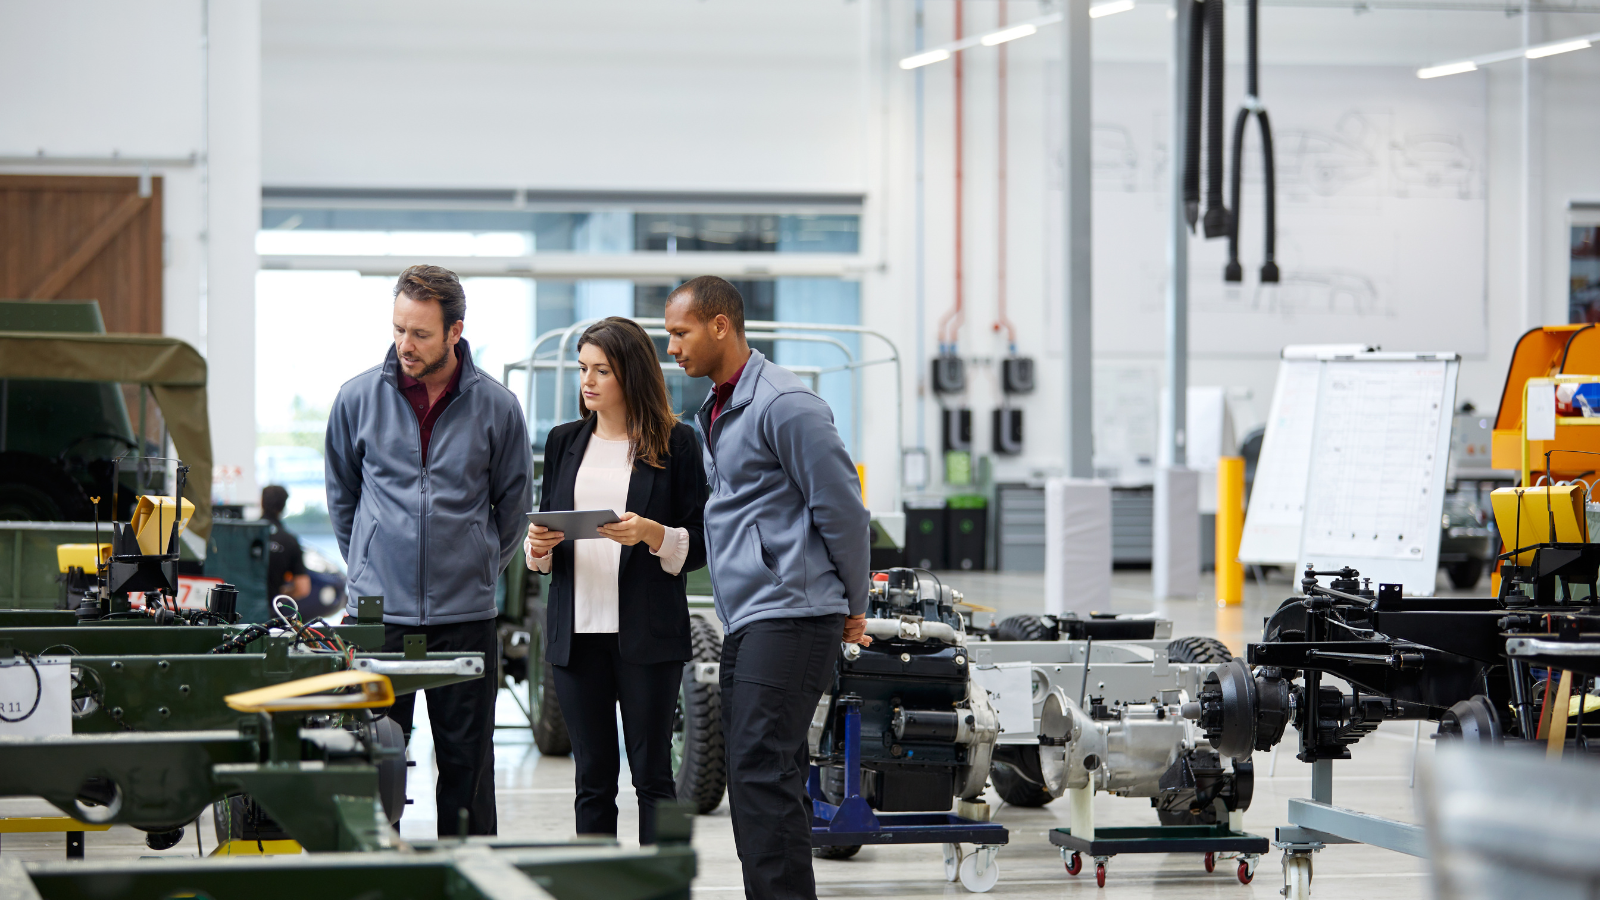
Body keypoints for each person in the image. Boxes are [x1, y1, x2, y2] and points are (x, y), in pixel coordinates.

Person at [664, 276, 871, 900]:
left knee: (761, 769)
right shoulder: (719, 408)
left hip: (793, 613)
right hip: (754, 616)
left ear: (721, 325)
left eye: (681, 333)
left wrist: (853, 605)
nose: (672, 347)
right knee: (759, 770)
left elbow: (844, 511)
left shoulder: (786, 404)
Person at [325, 264, 532, 836]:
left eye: (419, 333)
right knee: (369, 765)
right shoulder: (356, 398)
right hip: (376, 620)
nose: (404, 345)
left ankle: (469, 879)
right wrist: (367, 566)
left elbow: (512, 507)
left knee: (467, 769)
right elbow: (343, 499)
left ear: (454, 331)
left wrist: (478, 565)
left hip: (464, 618)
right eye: (398, 329)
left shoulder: (497, 407)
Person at [525, 316, 707, 845]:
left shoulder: (677, 442)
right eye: (583, 369)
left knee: (654, 778)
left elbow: (699, 541)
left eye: (601, 370)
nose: (588, 381)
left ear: (631, 374)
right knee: (592, 782)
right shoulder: (563, 442)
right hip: (577, 636)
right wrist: (537, 550)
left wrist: (653, 534)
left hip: (647, 638)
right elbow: (544, 534)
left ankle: (661, 886)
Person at [260, 484, 310, 603]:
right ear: (283, 506)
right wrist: (280, 594)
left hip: (238, 613)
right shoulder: (289, 541)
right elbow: (303, 588)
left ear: (261, 503)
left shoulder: (243, 535)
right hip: (270, 613)